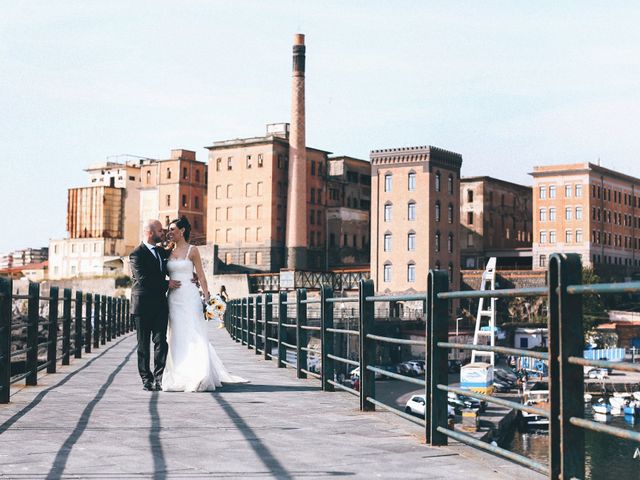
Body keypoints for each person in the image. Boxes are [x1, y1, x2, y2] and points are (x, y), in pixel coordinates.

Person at [161, 216, 247, 392]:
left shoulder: (193, 251)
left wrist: (207, 299)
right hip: (174, 299)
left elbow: (200, 275)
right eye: (169, 230)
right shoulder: (166, 251)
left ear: (182, 231)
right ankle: (179, 373)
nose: (169, 232)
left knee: (194, 332)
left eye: (172, 229)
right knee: (176, 335)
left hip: (190, 297)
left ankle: (199, 373)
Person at [129, 220, 181, 391]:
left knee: (161, 341)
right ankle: (146, 378)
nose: (163, 233)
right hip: (142, 305)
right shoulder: (136, 254)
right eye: (160, 231)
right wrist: (167, 284)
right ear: (150, 233)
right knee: (143, 344)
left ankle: (159, 378)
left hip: (160, 304)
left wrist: (190, 275)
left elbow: (173, 265)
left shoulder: (160, 251)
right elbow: (143, 280)